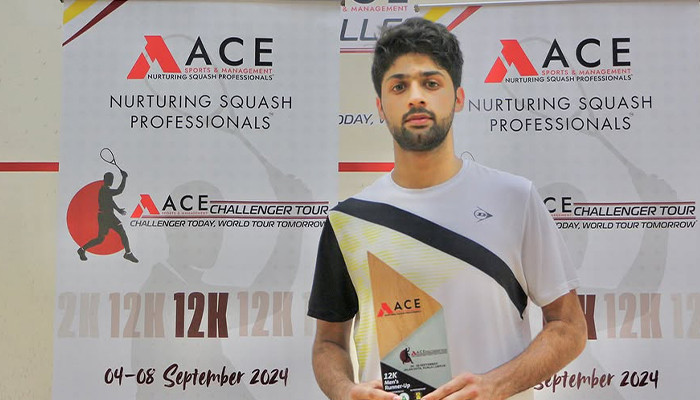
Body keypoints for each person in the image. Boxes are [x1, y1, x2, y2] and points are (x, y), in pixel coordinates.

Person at [307, 18, 587, 400]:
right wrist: (345, 391)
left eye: (431, 83)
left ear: (457, 97)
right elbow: (328, 343)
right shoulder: (348, 221)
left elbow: (569, 327)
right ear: (380, 106)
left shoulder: (514, 198)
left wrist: (496, 386)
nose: (415, 97)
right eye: (399, 86)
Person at [77, 170, 138, 263]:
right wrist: (124, 178)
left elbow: (110, 201)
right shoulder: (105, 190)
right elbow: (119, 191)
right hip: (107, 216)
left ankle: (82, 250)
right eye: (110, 179)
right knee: (121, 232)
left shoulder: (105, 190)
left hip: (104, 216)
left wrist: (118, 209)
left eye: (111, 179)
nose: (111, 181)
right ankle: (128, 253)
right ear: (106, 180)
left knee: (100, 239)